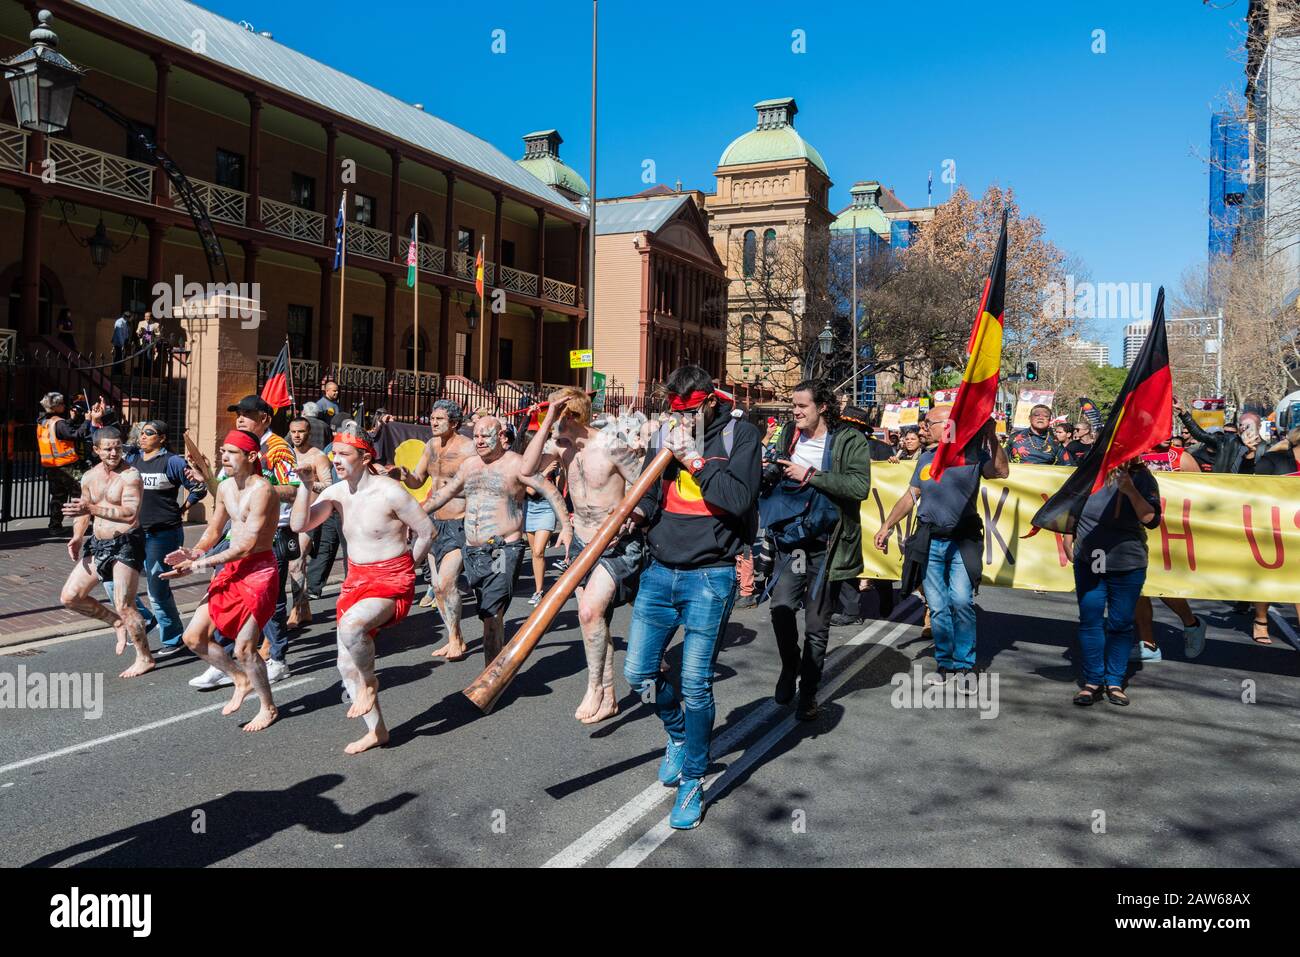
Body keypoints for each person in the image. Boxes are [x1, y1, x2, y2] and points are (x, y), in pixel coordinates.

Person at [621, 367, 761, 830]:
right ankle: (678, 736)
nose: (680, 420)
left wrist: (695, 462)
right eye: (673, 412)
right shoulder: (665, 433)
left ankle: (692, 782)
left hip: (711, 575)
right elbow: (648, 495)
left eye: (688, 411)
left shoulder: (741, 434)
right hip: (659, 571)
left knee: (696, 684)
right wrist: (635, 517)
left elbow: (738, 500)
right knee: (638, 672)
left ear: (709, 403)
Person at [291, 423, 434, 753]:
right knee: (344, 664)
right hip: (356, 580)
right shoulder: (337, 493)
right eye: (334, 453)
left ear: (365, 456)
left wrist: (408, 567)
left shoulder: (390, 491)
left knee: (353, 627)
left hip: (392, 579)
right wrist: (304, 485)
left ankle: (370, 684)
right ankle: (377, 731)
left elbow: (427, 531)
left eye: (344, 454)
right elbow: (300, 524)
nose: (336, 460)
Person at [521, 387, 646, 724]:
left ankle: (593, 686)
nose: (549, 422)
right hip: (581, 542)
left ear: (573, 416)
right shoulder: (560, 445)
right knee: (595, 620)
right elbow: (526, 469)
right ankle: (606, 694)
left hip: (615, 543)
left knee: (589, 611)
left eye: (557, 414)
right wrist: (547, 419)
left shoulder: (612, 444)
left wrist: (631, 517)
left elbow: (645, 487)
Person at [874, 406, 1009, 691]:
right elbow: (912, 496)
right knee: (937, 606)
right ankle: (945, 663)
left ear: (947, 426)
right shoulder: (925, 458)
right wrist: (886, 526)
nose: (923, 428)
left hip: (962, 541)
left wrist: (992, 438)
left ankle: (964, 666)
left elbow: (1000, 471)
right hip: (930, 541)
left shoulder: (972, 455)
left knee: (960, 601)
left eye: (928, 423)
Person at [421, 415, 572, 663]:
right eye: (476, 436)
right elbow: (445, 494)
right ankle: (495, 664)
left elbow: (550, 490)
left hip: (502, 551)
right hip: (473, 552)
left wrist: (565, 526)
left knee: (492, 613)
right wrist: (413, 515)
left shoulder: (516, 464)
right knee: (486, 612)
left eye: (485, 436)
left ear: (502, 437)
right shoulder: (470, 465)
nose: (478, 441)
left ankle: (489, 678)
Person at [763, 380, 872, 719]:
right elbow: (778, 467)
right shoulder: (789, 434)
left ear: (822, 407)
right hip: (793, 540)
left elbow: (859, 486)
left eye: (802, 406)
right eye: (793, 406)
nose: (795, 412)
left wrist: (810, 474)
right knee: (781, 606)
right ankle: (789, 665)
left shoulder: (848, 439)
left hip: (828, 542)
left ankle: (808, 693)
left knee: (816, 623)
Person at [163, 430, 281, 732]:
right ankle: (239, 679)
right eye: (222, 451)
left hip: (258, 572)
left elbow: (247, 544)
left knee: (244, 648)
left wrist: (199, 564)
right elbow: (215, 530)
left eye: (231, 452)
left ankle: (268, 707)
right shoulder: (227, 487)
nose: (223, 457)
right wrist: (195, 550)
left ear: (251, 457)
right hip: (230, 570)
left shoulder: (263, 491)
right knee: (193, 638)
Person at [188, 396, 299, 690]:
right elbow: (223, 493)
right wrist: (207, 477)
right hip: (231, 537)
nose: (240, 418)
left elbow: (295, 489)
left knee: (271, 603)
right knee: (224, 596)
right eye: (238, 413)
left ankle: (278, 659)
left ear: (265, 418)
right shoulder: (234, 447)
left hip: (270, 534)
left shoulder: (277, 448)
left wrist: (260, 489)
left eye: (247, 413)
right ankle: (222, 661)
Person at [1063, 459, 1162, 707]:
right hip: (1090, 561)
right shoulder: (1090, 469)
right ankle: (1093, 681)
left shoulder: (1141, 476)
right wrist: (1067, 536)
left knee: (1120, 623)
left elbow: (1151, 519)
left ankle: (1114, 682)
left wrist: (1129, 489)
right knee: (1090, 619)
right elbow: (1071, 505)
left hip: (1127, 564)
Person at [59, 427, 153, 678]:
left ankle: (145, 657)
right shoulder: (89, 476)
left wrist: (91, 507)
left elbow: (129, 513)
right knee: (70, 597)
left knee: (124, 603)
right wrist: (78, 536)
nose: (114, 452)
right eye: (108, 448)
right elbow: (84, 511)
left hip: (126, 542)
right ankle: (116, 623)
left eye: (118, 447)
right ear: (96, 450)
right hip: (98, 543)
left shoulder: (131, 475)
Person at [390, 399, 476, 658]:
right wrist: (404, 474)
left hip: (459, 522)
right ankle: (454, 637)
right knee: (438, 586)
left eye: (439, 419)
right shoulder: (430, 446)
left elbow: (478, 485)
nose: (433, 422)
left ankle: (457, 639)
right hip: (434, 524)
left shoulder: (469, 449)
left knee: (447, 581)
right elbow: (418, 482)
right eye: (432, 417)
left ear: (455, 423)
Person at [115, 419, 207, 653]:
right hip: (135, 532)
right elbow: (109, 449)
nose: (143, 436)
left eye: (149, 433)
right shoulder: (133, 458)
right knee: (117, 582)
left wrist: (184, 508)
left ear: (162, 438)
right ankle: (147, 619)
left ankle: (174, 638)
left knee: (157, 588)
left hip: (163, 533)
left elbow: (199, 488)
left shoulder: (172, 461)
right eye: (141, 433)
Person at [286, 416, 333, 628]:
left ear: (308, 433)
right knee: (294, 565)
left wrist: (308, 481)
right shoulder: (286, 455)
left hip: (309, 516)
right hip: (287, 516)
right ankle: (304, 609)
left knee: (296, 562)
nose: (296, 436)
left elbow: (329, 486)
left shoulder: (318, 457)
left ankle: (295, 609)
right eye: (293, 432)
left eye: (301, 432)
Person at [38, 391, 97, 532]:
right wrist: (88, 420)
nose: (64, 406)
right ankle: (89, 523)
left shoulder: (43, 422)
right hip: (67, 466)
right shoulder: (59, 423)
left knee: (58, 496)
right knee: (82, 493)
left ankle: (54, 526)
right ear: (56, 406)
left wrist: (70, 420)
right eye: (62, 404)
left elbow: (60, 433)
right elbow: (75, 434)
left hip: (51, 466)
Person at [1173, 398, 1260, 474]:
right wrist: (1184, 412)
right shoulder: (1226, 441)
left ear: (1259, 426)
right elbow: (1199, 434)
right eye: (1241, 425)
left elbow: (1248, 476)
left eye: (1249, 425)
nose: (1244, 428)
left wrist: (1251, 452)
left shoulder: (1268, 449)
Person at [522, 449, 559, 607]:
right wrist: (545, 472)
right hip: (529, 508)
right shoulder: (524, 465)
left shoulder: (552, 464)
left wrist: (559, 473)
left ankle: (538, 591)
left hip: (547, 508)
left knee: (538, 551)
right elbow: (529, 490)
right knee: (536, 555)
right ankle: (539, 590)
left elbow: (559, 488)